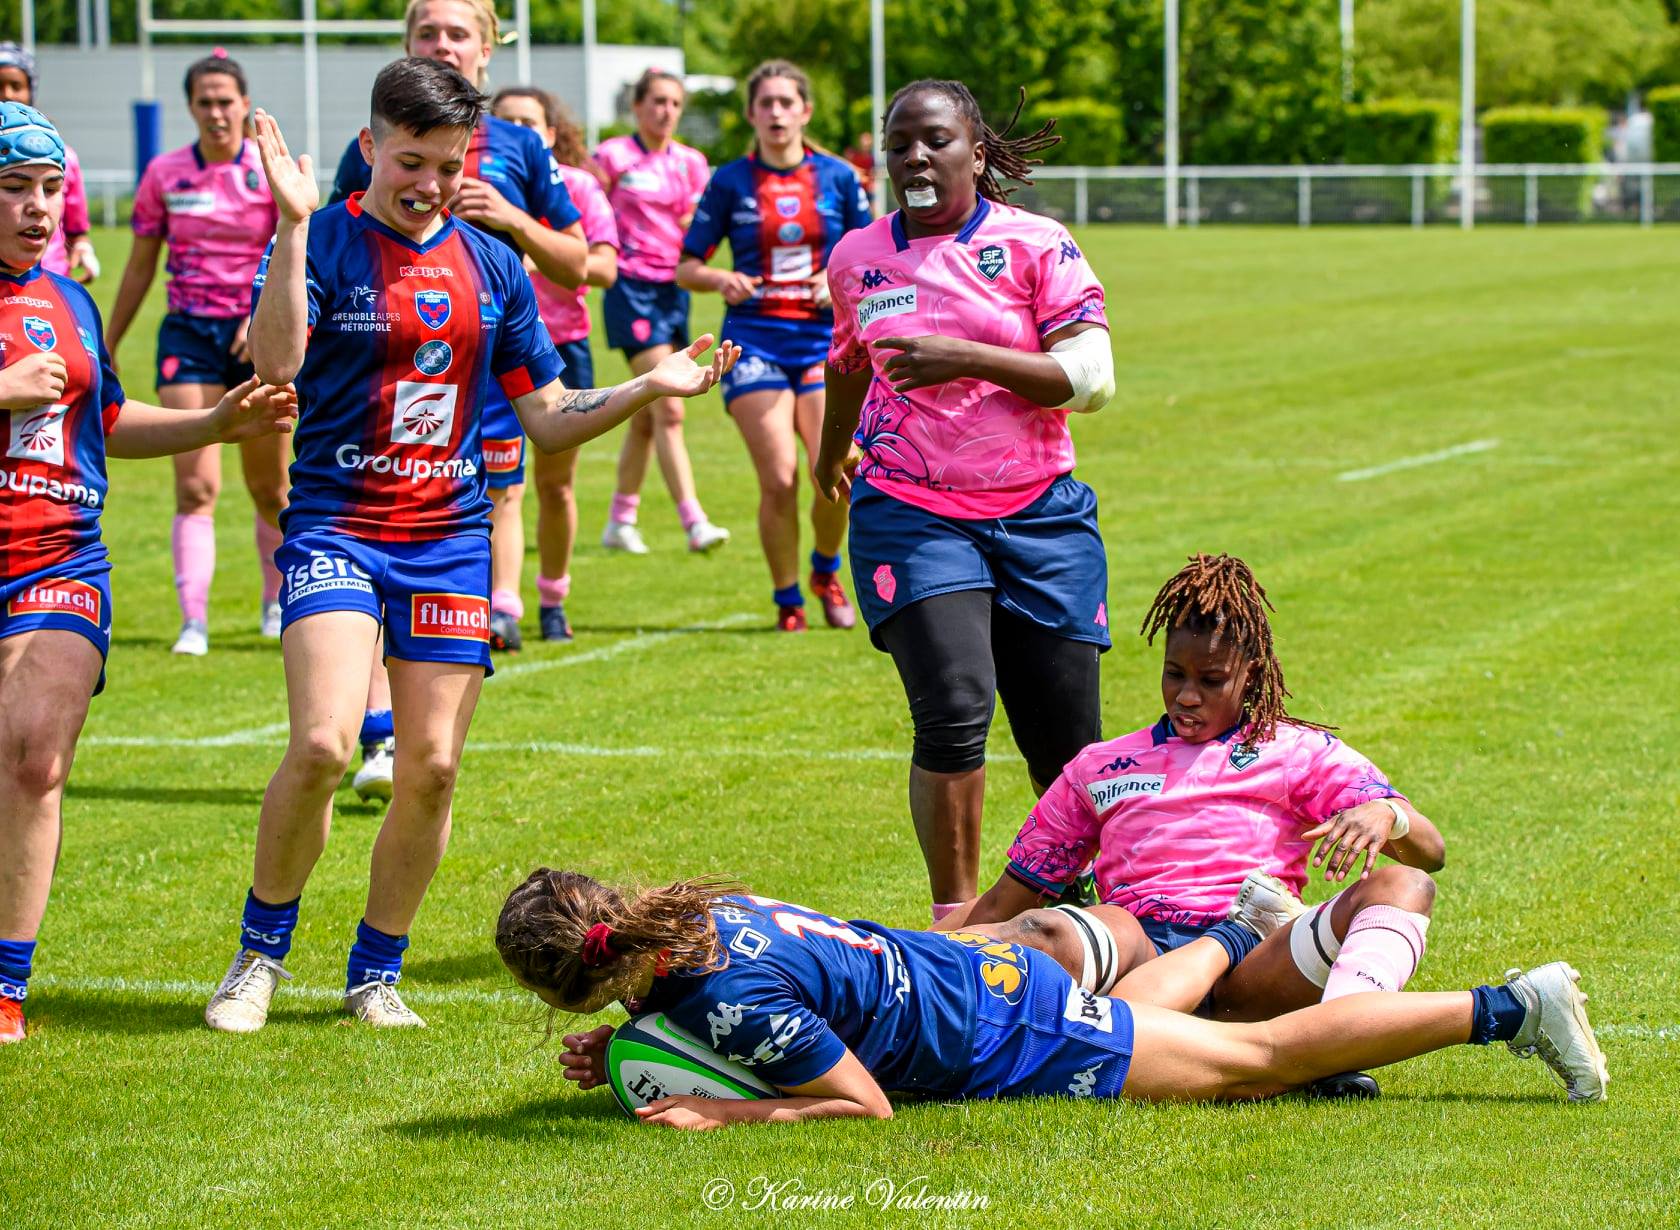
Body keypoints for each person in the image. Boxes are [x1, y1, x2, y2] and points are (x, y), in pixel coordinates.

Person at [200, 62, 735, 1034]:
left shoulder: (492, 264)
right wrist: (284, 225)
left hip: (449, 540)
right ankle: (258, 958)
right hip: (337, 527)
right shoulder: (321, 238)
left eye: (449, 166)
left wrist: (653, 390)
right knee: (323, 744)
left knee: (433, 767)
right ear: (370, 149)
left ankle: (375, 973)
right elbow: (274, 364)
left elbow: (548, 414)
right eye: (412, 162)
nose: (432, 185)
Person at [493, 869, 1608, 1128]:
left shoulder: (719, 1002)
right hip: (991, 971)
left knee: (1260, 1062)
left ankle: (1513, 1008)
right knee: (1164, 1020)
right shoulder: (699, 914)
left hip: (1005, 1032)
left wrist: (727, 1110)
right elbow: (742, 999)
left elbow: (860, 1104)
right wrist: (640, 1037)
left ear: (582, 982)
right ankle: (1238, 930)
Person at [0, 102, 294, 1043]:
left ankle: (5, 985)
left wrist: (214, 425)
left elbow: (108, 422)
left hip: (58, 561)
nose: (38, 209)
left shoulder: (68, 301)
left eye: (51, 190)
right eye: (14, 189)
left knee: (38, 755)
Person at [944, 552, 1448, 1093]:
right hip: (1138, 952)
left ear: (1250, 675)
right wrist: (896, 958)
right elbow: (1007, 901)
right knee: (1044, 930)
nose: (1187, 695)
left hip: (1258, 966)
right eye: (1175, 674)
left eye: (1211, 680)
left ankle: (1332, 1043)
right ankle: (932, 1015)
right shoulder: (1101, 765)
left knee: (1407, 885)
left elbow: (1430, 853)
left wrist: (1388, 813)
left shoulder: (1297, 751)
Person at [813, 80, 1115, 918]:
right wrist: (830, 454)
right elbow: (849, 364)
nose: (914, 155)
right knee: (952, 706)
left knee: (1066, 748)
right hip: (909, 508)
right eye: (899, 141)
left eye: (936, 140)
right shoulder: (857, 257)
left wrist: (968, 356)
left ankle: (1082, 905)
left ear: (975, 154)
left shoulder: (1036, 244)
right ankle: (957, 928)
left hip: (1040, 515)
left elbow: (1091, 380)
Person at [329, 0, 589, 652]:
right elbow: (335, 252)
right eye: (427, 33)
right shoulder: (369, 149)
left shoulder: (521, 144)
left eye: (457, 33)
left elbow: (577, 262)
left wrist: (513, 218)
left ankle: (513, 605)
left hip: (497, 354)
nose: (442, 45)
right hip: (395, 361)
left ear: (487, 48)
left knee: (517, 487)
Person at [104, 52, 289, 653]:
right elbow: (138, 267)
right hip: (187, 334)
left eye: (225, 101)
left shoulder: (267, 171)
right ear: (190, 107)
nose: (215, 112)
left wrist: (260, 318)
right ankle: (194, 620)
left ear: (244, 104)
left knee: (272, 488)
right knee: (195, 486)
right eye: (204, 102)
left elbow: (290, 252)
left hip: (257, 336)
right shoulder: (164, 174)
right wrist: (103, 346)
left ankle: (274, 602)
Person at [676, 61, 870, 632]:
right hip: (753, 341)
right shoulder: (731, 180)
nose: (777, 112)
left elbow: (876, 259)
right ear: (752, 114)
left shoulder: (838, 178)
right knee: (780, 476)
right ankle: (788, 599)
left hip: (825, 342)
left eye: (788, 102)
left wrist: (832, 280)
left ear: (805, 111)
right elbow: (688, 266)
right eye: (767, 103)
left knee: (833, 468)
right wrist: (720, 279)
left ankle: (824, 570)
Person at [489, 86, 619, 645]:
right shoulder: (476, 187)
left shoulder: (581, 188)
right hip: (496, 349)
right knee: (502, 485)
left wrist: (522, 228)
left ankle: (553, 596)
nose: (520, 130)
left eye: (530, 122)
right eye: (506, 121)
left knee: (556, 485)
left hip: (563, 346)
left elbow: (605, 270)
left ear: (549, 132)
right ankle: (504, 607)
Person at [595, 69, 729, 556]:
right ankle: (694, 522)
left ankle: (620, 520)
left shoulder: (692, 163)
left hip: (673, 292)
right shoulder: (611, 157)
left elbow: (698, 225)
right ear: (637, 107)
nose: (665, 111)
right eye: (656, 101)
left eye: (674, 102)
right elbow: (585, 208)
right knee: (669, 405)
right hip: (630, 290)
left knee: (647, 414)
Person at [0, 43, 97, 285]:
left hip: (49, 276)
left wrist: (83, 248)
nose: (8, 94)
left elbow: (77, 228)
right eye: (14, 187)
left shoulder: (64, 156)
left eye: (16, 86)